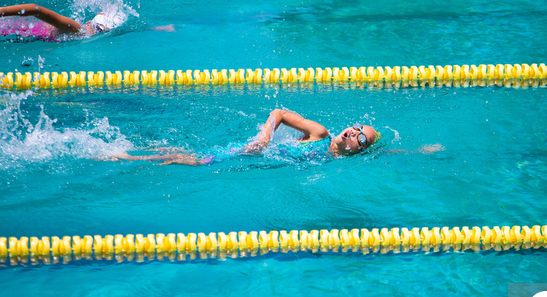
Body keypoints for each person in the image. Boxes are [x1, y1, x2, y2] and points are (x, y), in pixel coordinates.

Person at [110, 109, 379, 165]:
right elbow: (279, 113)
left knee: (197, 157)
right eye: (357, 127)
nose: (354, 133)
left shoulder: (332, 161)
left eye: (361, 138)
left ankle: (135, 151)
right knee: (198, 161)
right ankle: (127, 156)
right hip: (254, 152)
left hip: (258, 163)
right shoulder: (320, 134)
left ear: (358, 151)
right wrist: (264, 140)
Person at [0, 3, 125, 41]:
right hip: (12, 32)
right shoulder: (76, 29)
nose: (97, 34)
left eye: (102, 32)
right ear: (88, 23)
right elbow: (35, 9)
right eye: (98, 29)